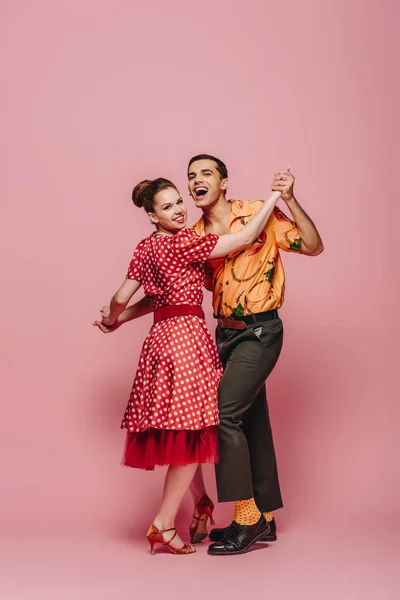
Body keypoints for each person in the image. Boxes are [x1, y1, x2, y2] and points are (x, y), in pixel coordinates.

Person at [115, 155, 324, 556]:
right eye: (191, 176)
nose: (196, 181)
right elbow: (170, 293)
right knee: (250, 419)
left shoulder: (255, 214)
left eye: (205, 173)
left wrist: (289, 199)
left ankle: (247, 519)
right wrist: (121, 318)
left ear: (223, 182)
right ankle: (266, 516)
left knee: (222, 413)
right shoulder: (190, 236)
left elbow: (313, 246)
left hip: (260, 330)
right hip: (224, 334)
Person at [94, 176, 282, 555]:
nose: (179, 209)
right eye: (167, 206)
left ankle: (201, 505)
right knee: (194, 427)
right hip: (186, 340)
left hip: (159, 340)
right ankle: (163, 524)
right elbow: (243, 239)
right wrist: (274, 196)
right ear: (151, 215)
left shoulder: (145, 248)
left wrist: (115, 318)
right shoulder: (184, 242)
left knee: (180, 427)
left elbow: (138, 298)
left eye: (178, 201)